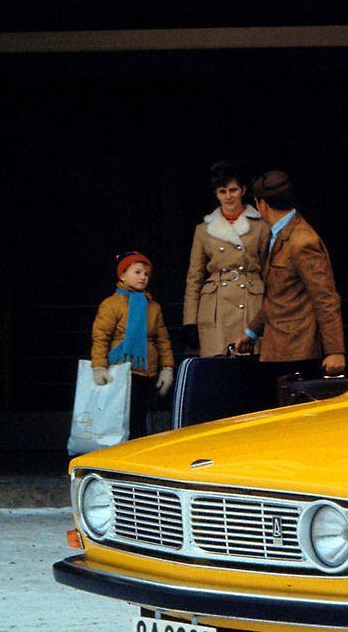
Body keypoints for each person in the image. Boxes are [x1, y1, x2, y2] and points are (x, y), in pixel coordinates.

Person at [237, 170, 346, 395]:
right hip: (280, 348)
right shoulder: (278, 234)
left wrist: (335, 351)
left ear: (262, 204)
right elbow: (279, 295)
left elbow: (325, 297)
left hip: (299, 351)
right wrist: (251, 333)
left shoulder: (302, 240)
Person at [181, 161, 270, 356]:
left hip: (251, 301)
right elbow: (194, 277)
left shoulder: (261, 226)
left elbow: (270, 273)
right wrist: (189, 321)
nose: (228, 196)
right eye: (223, 191)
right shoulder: (203, 230)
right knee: (217, 365)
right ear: (216, 194)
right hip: (216, 305)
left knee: (250, 364)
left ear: (243, 190)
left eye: (233, 190)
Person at [90, 252, 175, 439]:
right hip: (120, 372)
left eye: (146, 274)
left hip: (147, 372)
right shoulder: (111, 304)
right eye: (137, 272)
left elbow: (163, 341)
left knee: (141, 419)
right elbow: (101, 337)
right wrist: (99, 367)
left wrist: (167, 369)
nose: (143, 277)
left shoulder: (153, 307)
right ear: (122, 276)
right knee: (120, 419)